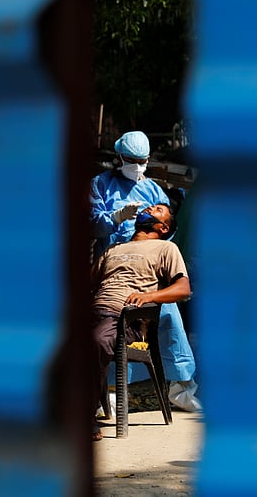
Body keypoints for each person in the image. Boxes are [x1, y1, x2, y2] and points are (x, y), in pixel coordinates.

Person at [89, 131, 202, 412]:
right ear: (119, 158)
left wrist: (157, 269)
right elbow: (91, 225)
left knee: (169, 314)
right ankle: (111, 390)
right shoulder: (100, 185)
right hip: (115, 268)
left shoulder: (152, 190)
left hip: (148, 273)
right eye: (132, 160)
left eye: (143, 161)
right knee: (108, 324)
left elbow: (169, 226)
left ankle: (181, 386)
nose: (138, 166)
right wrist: (115, 218)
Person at [90, 203, 191, 440]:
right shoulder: (114, 248)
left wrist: (149, 296)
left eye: (157, 210)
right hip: (94, 312)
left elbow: (183, 288)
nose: (148, 209)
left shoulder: (166, 248)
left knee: (96, 341)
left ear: (163, 227)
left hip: (125, 318)